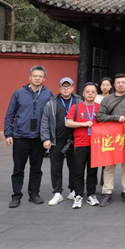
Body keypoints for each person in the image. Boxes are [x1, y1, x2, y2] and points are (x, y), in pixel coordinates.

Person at [4, 65, 54, 208]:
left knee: (36, 168)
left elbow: (50, 116)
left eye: (40, 76)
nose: (37, 78)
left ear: (44, 78)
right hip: (20, 136)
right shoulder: (19, 93)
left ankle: (34, 194)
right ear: (29, 77)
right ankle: (16, 195)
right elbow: (10, 114)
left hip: (39, 137)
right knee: (18, 168)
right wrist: (8, 133)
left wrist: (48, 136)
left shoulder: (48, 93)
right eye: (35, 76)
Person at [96, 73, 125, 207]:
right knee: (109, 166)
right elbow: (100, 116)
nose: (121, 85)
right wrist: (115, 118)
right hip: (111, 136)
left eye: (123, 82)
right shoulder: (107, 99)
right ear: (114, 85)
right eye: (118, 82)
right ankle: (107, 192)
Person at [40, 77, 81, 206]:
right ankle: (57, 192)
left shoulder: (79, 100)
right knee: (56, 166)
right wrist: (46, 138)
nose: (66, 88)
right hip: (56, 139)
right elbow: (45, 121)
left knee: (74, 166)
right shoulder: (52, 101)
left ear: (73, 87)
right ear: (60, 88)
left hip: (74, 139)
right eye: (63, 86)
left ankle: (73, 190)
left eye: (68, 86)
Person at [65, 82, 100, 208]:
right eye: (88, 92)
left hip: (95, 145)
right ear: (83, 93)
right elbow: (68, 123)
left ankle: (91, 194)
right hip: (79, 145)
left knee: (92, 172)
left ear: (96, 94)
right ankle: (78, 195)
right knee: (78, 172)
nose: (90, 94)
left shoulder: (100, 107)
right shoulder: (76, 107)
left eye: (93, 92)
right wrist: (84, 124)